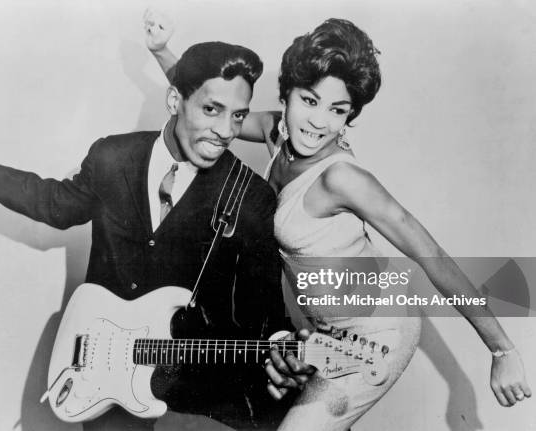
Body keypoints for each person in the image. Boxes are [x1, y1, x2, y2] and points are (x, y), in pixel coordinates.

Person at [145, 11, 531, 430]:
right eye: (309, 101)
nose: (318, 122)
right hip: (323, 334)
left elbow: (431, 255)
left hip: (378, 332)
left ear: (350, 116)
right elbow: (208, 107)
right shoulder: (278, 135)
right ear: (287, 93)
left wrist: (502, 350)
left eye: (338, 110)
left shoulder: (341, 178)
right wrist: (162, 51)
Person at [0, 41, 310, 430]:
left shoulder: (249, 196)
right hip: (105, 381)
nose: (226, 131)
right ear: (175, 99)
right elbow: (52, 203)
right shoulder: (112, 156)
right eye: (212, 110)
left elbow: (262, 306)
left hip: (197, 395)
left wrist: (283, 346)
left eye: (238, 115)